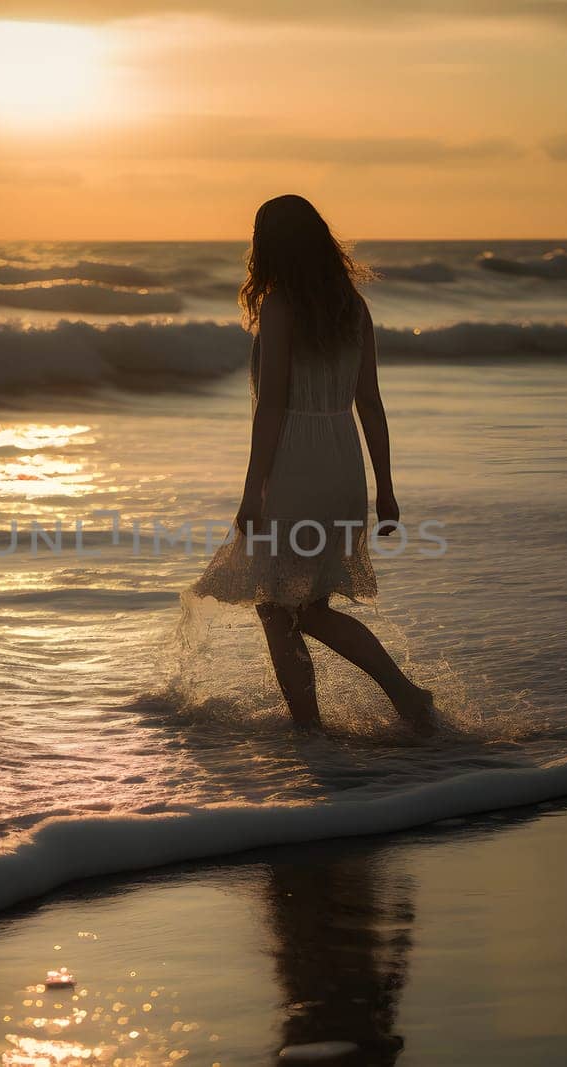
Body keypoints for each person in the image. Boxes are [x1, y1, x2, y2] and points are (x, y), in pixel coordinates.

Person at [191, 194, 434, 733]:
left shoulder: (280, 306)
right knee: (298, 607)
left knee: (286, 609)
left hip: (297, 468)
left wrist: (252, 492)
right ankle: (361, 713)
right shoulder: (352, 305)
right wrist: (385, 489)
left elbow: (273, 404)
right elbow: (369, 401)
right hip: (343, 465)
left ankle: (373, 708)